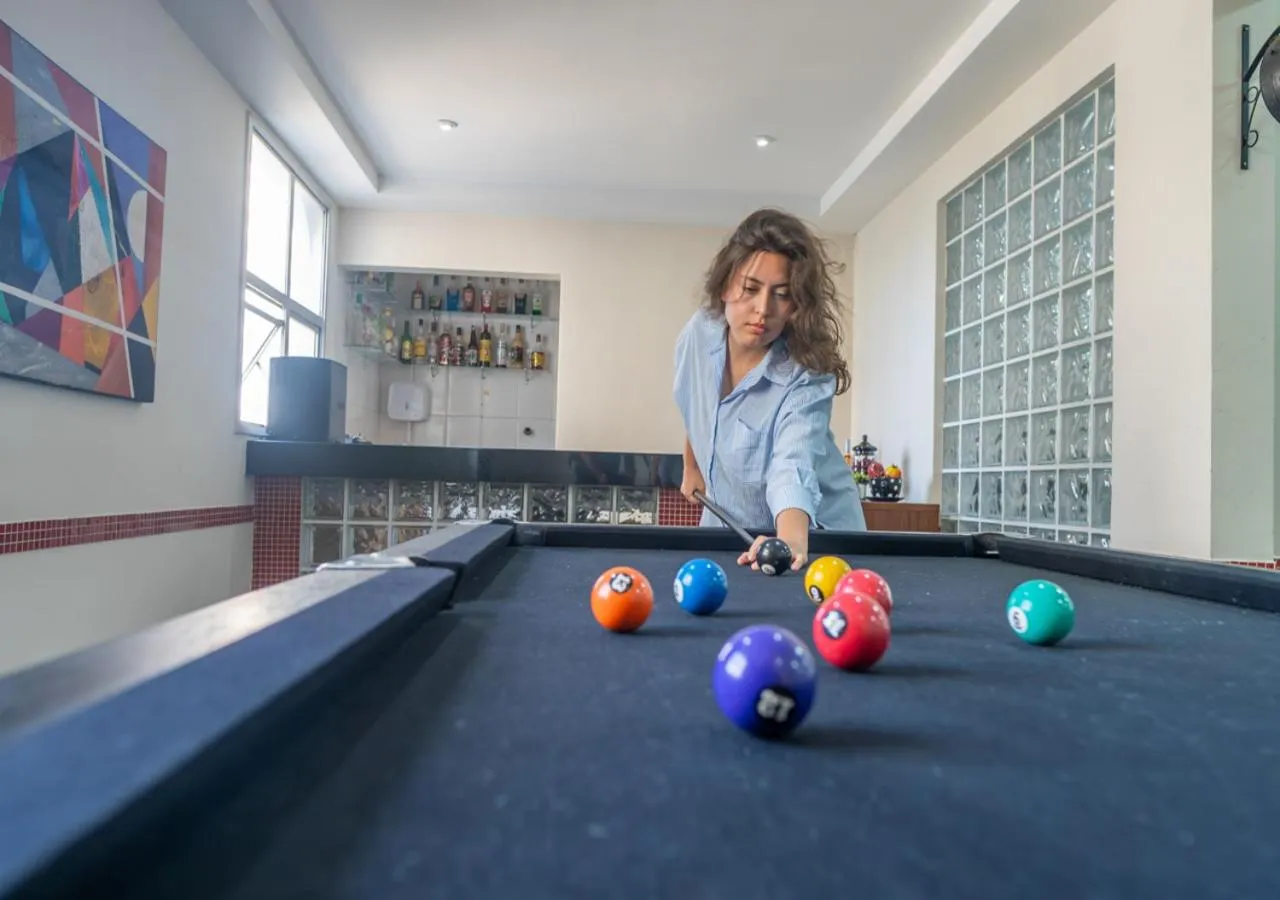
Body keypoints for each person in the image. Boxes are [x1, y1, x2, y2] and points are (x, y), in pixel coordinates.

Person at [673, 207, 866, 573]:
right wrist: (691, 464)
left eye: (782, 294)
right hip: (736, 529)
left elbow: (792, 465)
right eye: (750, 289)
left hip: (815, 539)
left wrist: (789, 541)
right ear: (726, 283)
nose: (763, 309)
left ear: (797, 304)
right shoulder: (698, 334)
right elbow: (695, 404)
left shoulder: (807, 374)